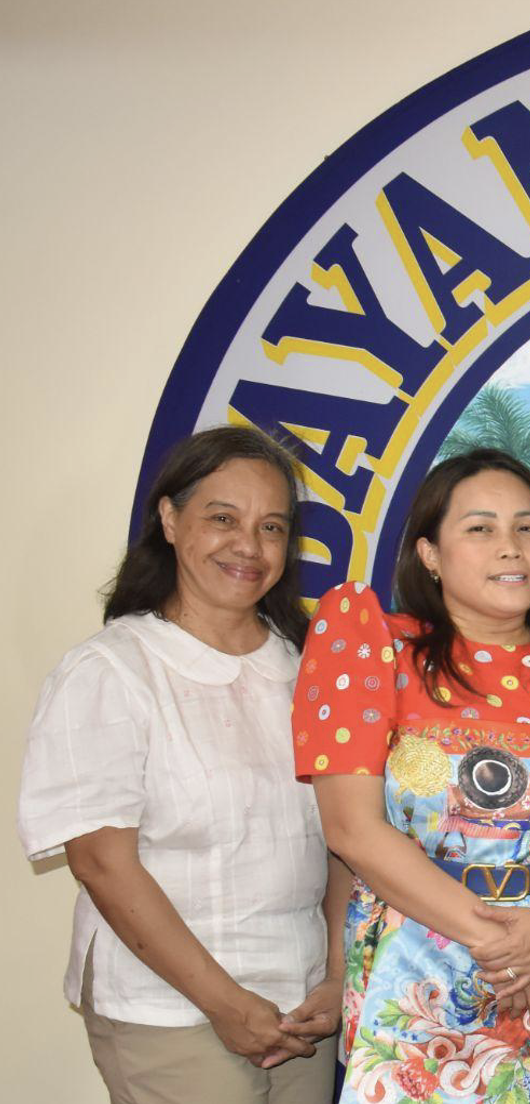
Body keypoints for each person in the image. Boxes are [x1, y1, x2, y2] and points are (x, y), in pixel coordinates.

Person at [292, 448, 530, 1103]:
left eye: (528, 527)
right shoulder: (374, 647)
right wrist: (500, 944)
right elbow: (351, 828)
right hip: (417, 957)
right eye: (481, 528)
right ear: (429, 552)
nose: (511, 547)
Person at [19, 426, 344, 1103]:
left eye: (272, 527)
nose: (248, 547)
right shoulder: (111, 670)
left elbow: (347, 838)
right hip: (169, 1014)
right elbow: (102, 863)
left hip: (302, 1008)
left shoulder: (309, 670)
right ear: (169, 518)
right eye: (222, 518)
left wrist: (339, 977)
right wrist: (225, 1002)